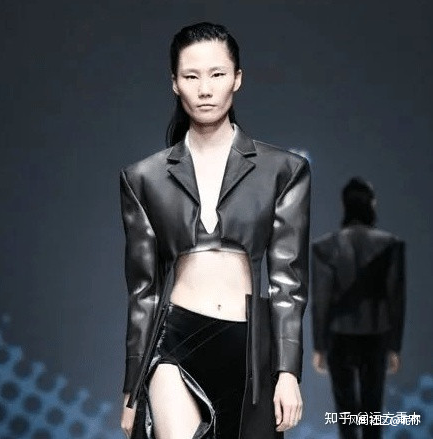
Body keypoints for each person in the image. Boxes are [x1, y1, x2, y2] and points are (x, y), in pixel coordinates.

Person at [119, 22, 310, 439]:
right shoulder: (144, 178)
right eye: (191, 76)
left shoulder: (284, 170)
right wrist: (132, 388)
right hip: (175, 343)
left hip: (250, 349)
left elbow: (288, 280)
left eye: (217, 74)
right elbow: (143, 292)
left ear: (237, 78)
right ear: (175, 84)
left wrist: (288, 371)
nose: (204, 89)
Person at [311, 177, 406, 439]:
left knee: (346, 412)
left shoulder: (325, 247)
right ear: (371, 204)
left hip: (339, 335)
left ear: (345, 205)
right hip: (376, 333)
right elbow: (396, 299)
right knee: (372, 409)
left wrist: (319, 346)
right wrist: (394, 346)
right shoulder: (390, 245)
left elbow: (321, 299)